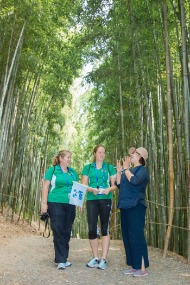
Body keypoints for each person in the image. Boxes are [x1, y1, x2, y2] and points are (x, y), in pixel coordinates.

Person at [41, 149, 79, 270]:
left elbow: (77, 188)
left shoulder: (73, 172)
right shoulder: (52, 170)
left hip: (70, 204)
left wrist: (79, 203)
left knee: (67, 231)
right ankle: (60, 260)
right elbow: (46, 187)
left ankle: (63, 258)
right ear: (61, 158)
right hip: (55, 202)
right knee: (58, 229)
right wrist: (44, 204)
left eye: (70, 157)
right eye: (68, 157)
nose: (69, 159)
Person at [81, 145, 117, 270]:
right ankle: (95, 258)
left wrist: (108, 189)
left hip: (106, 199)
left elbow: (115, 186)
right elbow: (83, 185)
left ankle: (104, 259)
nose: (102, 154)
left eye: (103, 152)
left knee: (104, 228)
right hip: (92, 199)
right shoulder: (88, 167)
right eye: (99, 152)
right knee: (91, 229)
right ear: (95, 153)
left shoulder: (110, 167)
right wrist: (91, 189)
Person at [116, 147, 150, 277]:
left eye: (135, 153)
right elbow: (119, 184)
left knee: (137, 236)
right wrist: (120, 171)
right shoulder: (128, 171)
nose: (131, 155)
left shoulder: (142, 171)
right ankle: (134, 265)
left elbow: (135, 181)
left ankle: (142, 268)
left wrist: (126, 169)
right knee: (128, 237)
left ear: (141, 157)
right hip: (125, 206)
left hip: (136, 206)